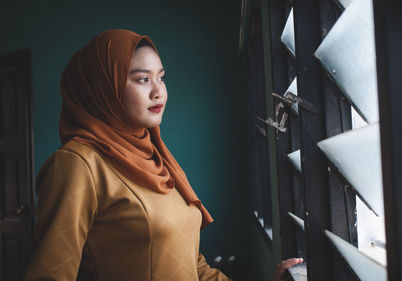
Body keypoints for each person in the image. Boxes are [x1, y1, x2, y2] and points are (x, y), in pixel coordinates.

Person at [22, 29, 302, 281]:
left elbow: (192, 267)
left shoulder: (157, 159)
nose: (159, 92)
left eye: (161, 78)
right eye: (142, 79)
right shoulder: (77, 164)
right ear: (104, 87)